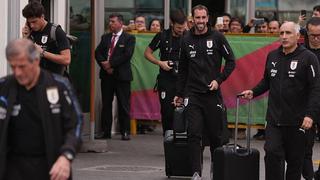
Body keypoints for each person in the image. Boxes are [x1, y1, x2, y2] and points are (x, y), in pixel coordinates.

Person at [240, 21, 320, 180]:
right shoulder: (272, 56)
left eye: (288, 33)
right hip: (274, 120)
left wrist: (310, 115)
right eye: (282, 33)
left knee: (294, 163)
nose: (284, 36)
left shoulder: (308, 58)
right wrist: (253, 92)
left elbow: (315, 89)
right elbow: (267, 81)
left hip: (298, 122)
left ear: (298, 36)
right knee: (272, 154)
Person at [0, 39, 82, 180]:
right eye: (13, 67)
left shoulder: (59, 86)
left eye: (22, 66)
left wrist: (66, 156)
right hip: (12, 168)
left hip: (50, 166)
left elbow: (75, 124)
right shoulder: (4, 88)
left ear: (36, 61)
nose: (18, 72)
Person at [173, 5, 236, 179]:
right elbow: (183, 69)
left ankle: (215, 167)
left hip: (212, 94)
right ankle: (196, 172)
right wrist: (179, 94)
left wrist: (219, 80)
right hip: (193, 94)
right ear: (192, 19)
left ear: (208, 18)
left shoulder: (217, 37)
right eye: (197, 18)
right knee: (193, 133)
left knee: (216, 136)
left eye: (203, 18)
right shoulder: (186, 39)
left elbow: (231, 61)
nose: (200, 21)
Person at [144, 10, 187, 135]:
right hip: (166, 80)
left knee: (184, 111)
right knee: (167, 112)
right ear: (172, 23)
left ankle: (183, 142)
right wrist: (160, 63)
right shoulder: (162, 36)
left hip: (183, 80)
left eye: (183, 27)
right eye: (179, 28)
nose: (181, 30)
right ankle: (168, 141)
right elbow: (147, 53)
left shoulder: (189, 36)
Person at [95, 13, 136, 140]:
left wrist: (111, 64)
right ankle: (106, 131)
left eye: (113, 21)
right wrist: (104, 65)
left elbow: (127, 55)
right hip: (107, 76)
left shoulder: (129, 38)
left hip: (122, 76)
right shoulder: (105, 37)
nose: (110, 24)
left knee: (123, 104)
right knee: (106, 104)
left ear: (120, 23)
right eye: (110, 21)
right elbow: (98, 52)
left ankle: (125, 131)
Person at [22, 1, 71, 76]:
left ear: (42, 16)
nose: (31, 25)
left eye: (34, 21)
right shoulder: (31, 33)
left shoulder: (56, 31)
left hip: (54, 79)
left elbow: (67, 59)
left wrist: (43, 53)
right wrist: (25, 38)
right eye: (29, 22)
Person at [303, 17, 320, 180]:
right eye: (313, 35)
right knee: (304, 148)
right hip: (306, 105)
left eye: (319, 35)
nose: (316, 38)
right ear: (306, 33)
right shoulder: (301, 51)